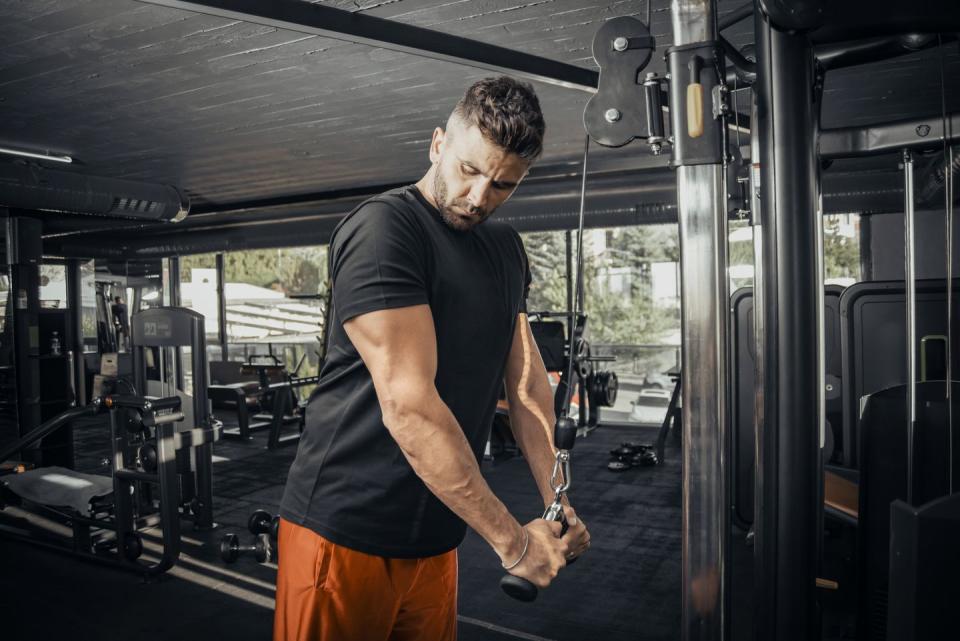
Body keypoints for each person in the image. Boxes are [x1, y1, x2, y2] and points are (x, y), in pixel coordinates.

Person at [275, 76, 591, 641]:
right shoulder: (385, 230)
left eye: (502, 185)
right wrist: (514, 544)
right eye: (470, 170)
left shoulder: (504, 248)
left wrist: (555, 501)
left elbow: (524, 387)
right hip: (347, 530)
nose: (479, 198)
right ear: (438, 143)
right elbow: (410, 407)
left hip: (437, 530)